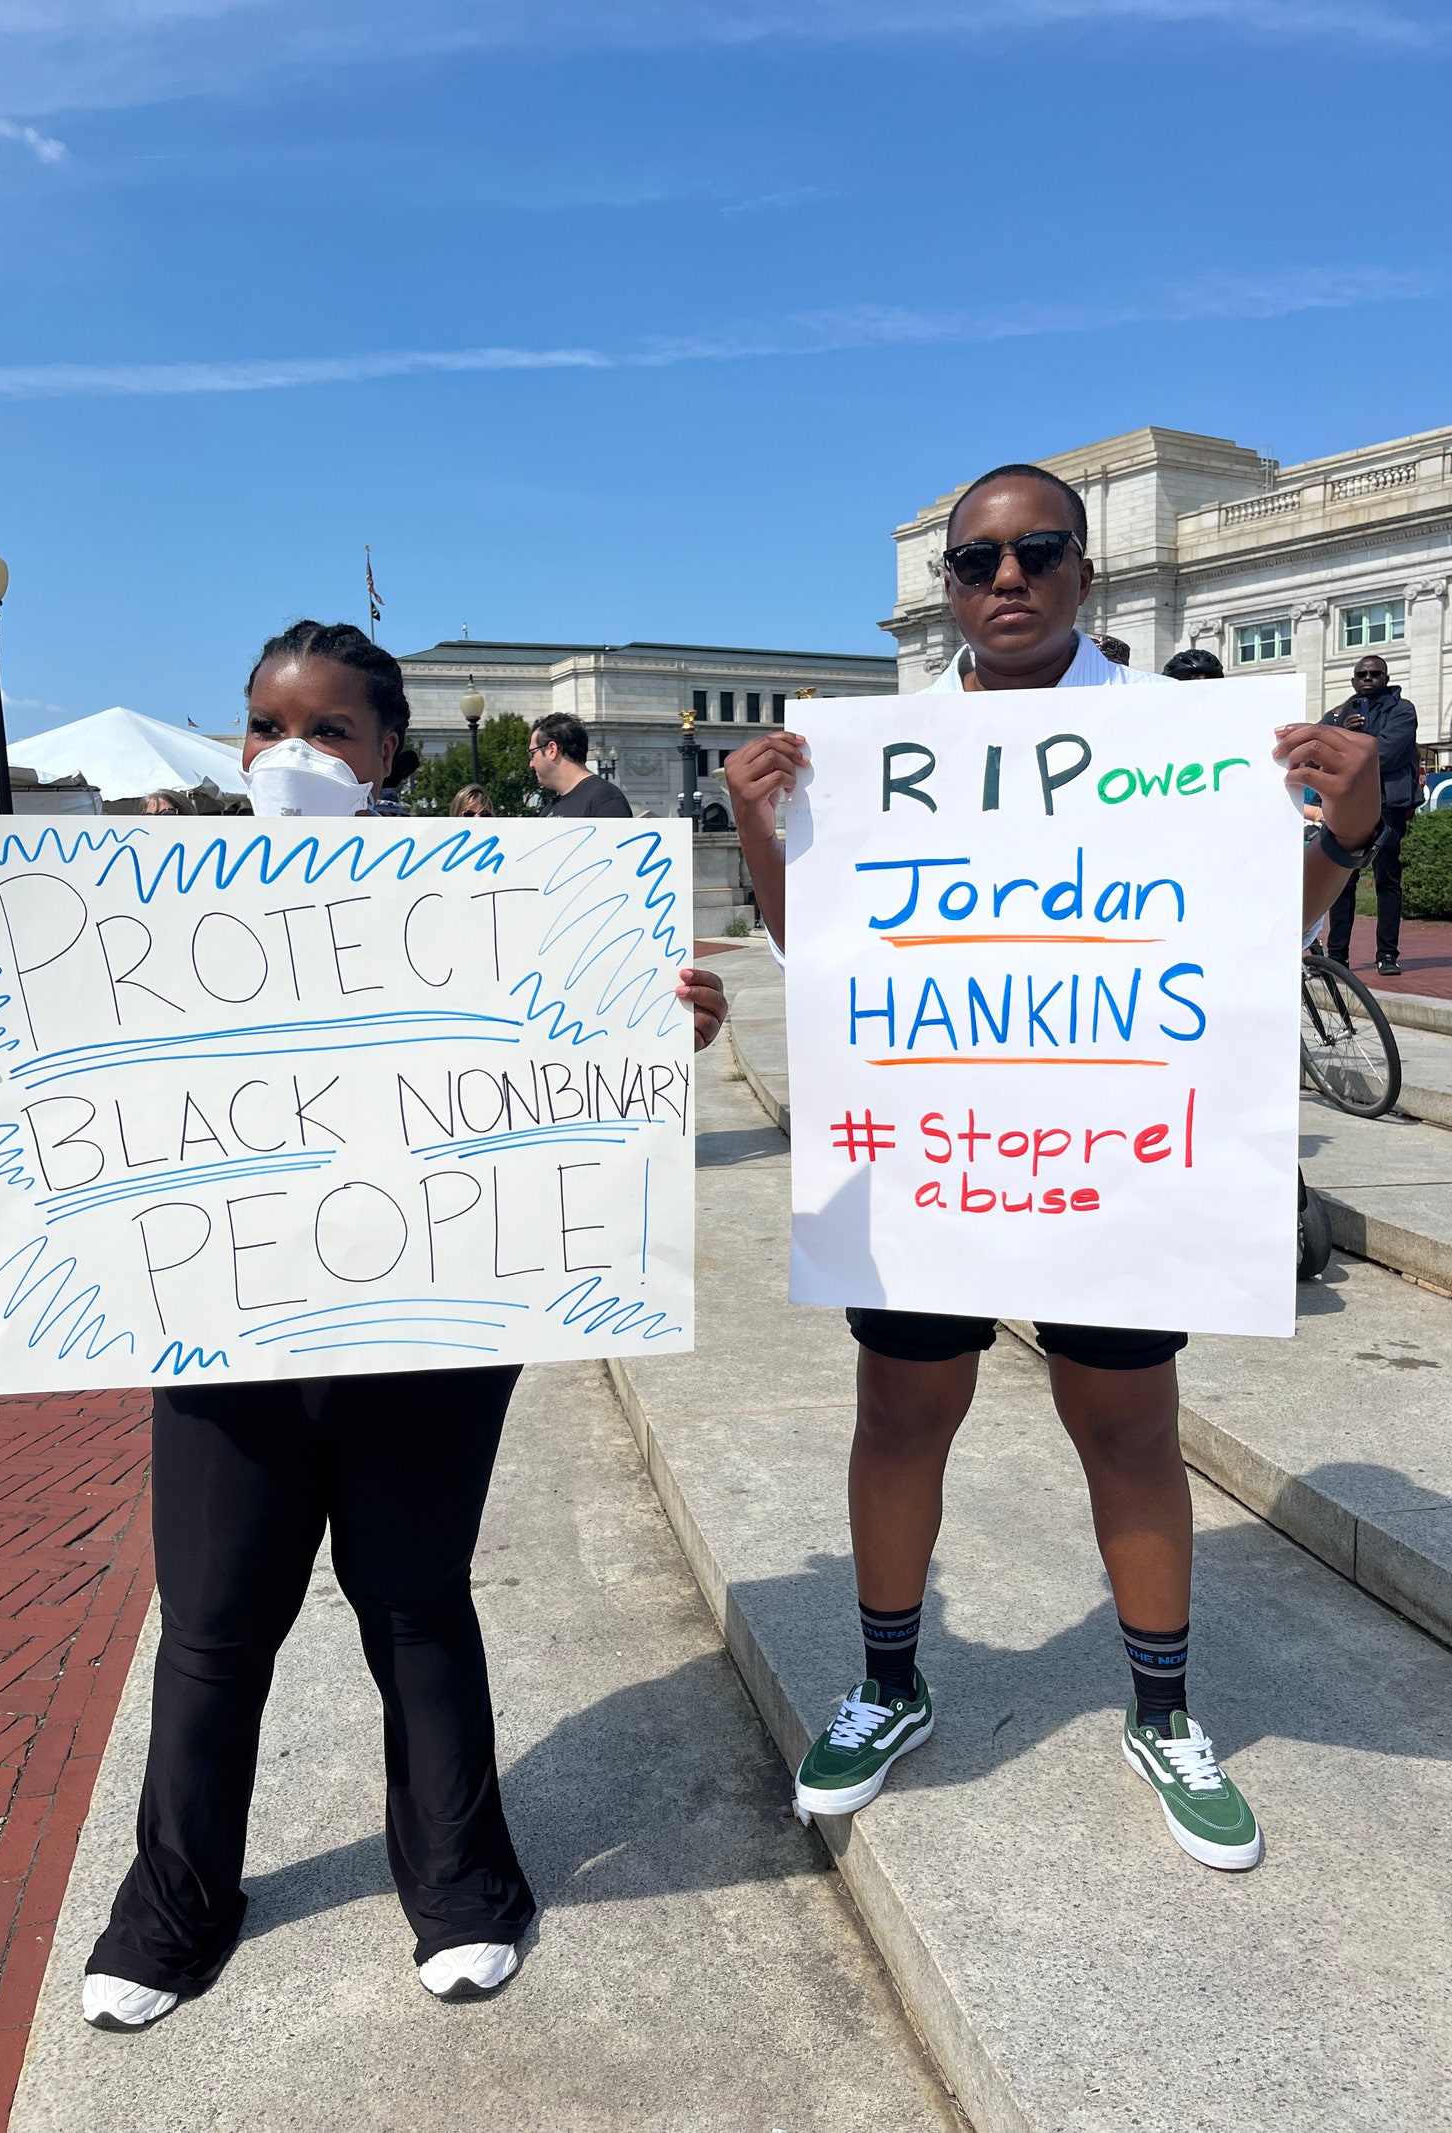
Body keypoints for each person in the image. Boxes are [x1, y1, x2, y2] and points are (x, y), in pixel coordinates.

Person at [0, 620, 730, 2027]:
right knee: (216, 1618)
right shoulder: (136, 910)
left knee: (415, 1598)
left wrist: (658, 1027)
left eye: (328, 733)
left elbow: (566, 1056)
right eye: (264, 728)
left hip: (427, 1327)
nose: (289, 758)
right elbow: (76, 1090)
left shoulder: (491, 897)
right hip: (226, 1322)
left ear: (388, 754)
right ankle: (175, 1903)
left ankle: (462, 1879)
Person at [727, 463, 1381, 1873]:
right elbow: (816, 958)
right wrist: (758, 831)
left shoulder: (1175, 738)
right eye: (976, 562)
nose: (1005, 580)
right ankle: (892, 1682)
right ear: (945, 587)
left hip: (1111, 1158)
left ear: (1085, 572)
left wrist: (1346, 832)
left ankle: (1162, 1708)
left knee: (1132, 1430)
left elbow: (1258, 941)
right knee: (901, 1414)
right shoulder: (884, 752)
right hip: (932, 1153)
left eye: (1037, 553)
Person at [1319, 655, 1418, 976]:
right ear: (1353, 680)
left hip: (1387, 806)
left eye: (1376, 673)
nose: (1368, 678)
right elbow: (1320, 749)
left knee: (1387, 880)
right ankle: (1337, 959)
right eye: (1362, 674)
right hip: (1348, 806)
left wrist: (1346, 742)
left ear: (1386, 677)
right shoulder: (1338, 714)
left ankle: (1387, 955)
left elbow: (1386, 754)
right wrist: (1342, 734)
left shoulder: (1403, 710)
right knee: (1342, 883)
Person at [529, 714, 632, 818]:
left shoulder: (606, 799)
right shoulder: (551, 808)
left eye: (532, 754)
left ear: (552, 750)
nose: (531, 764)